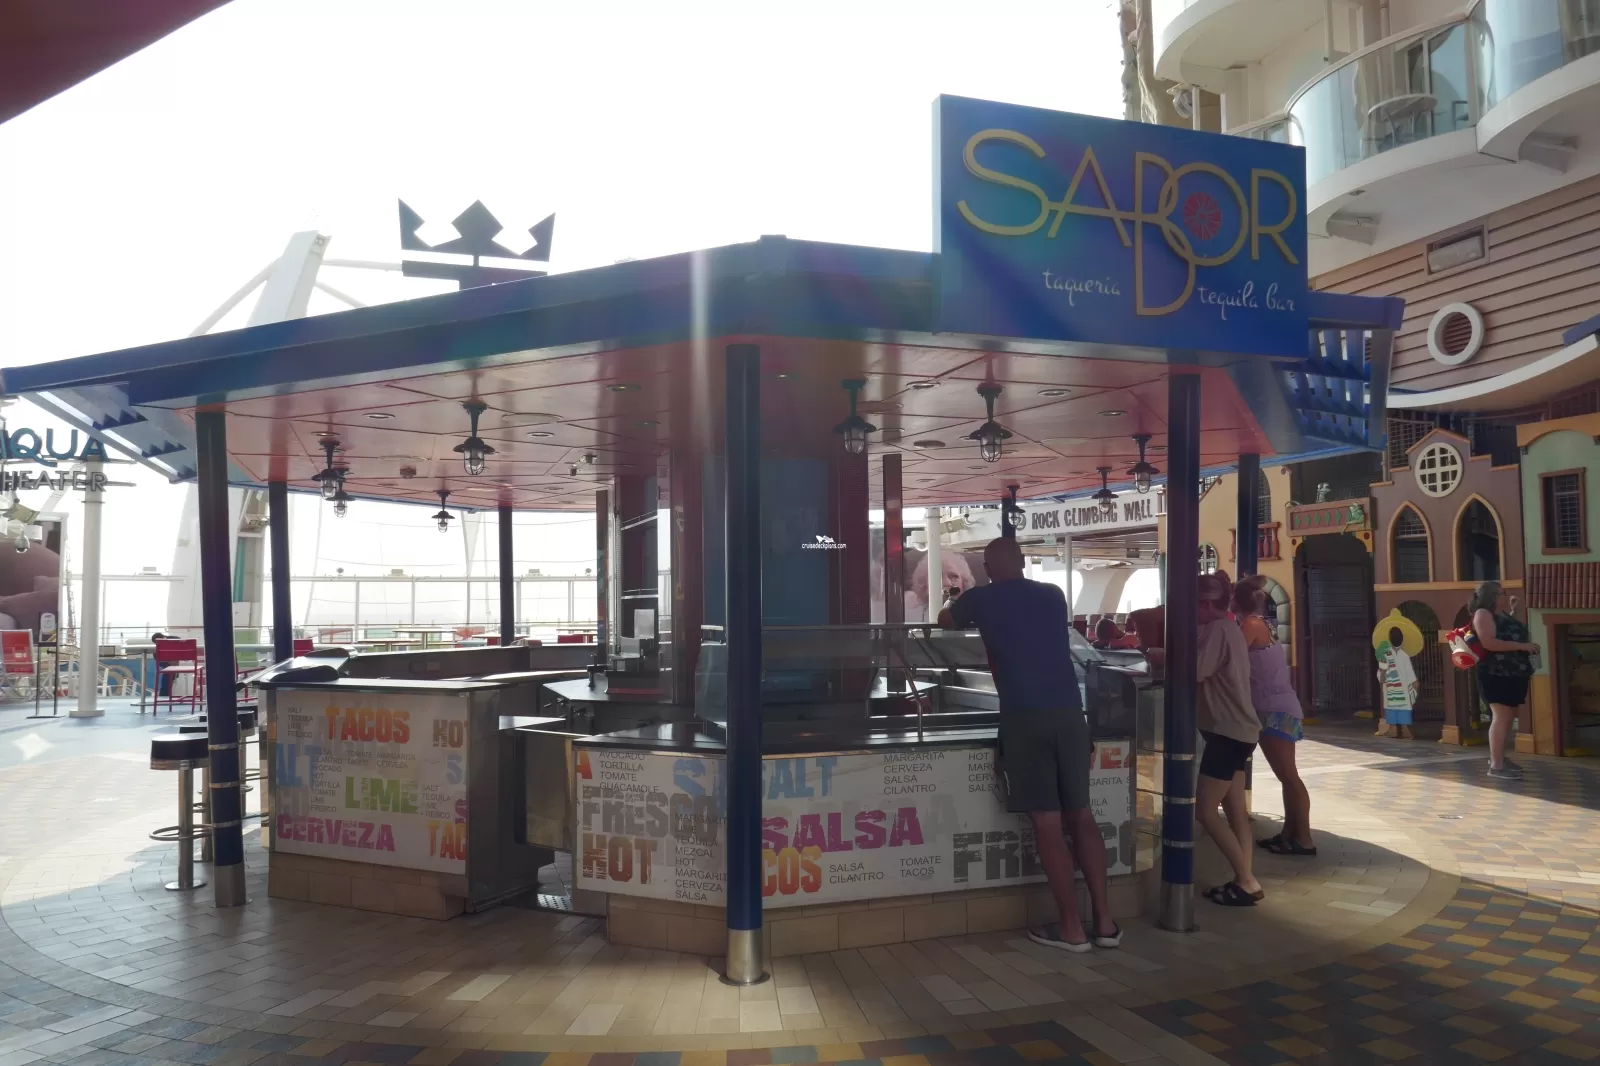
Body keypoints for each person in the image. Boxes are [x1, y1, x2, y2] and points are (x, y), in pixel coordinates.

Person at [940, 536, 1120, 952]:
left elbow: (945, 619)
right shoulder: (1053, 595)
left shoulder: (980, 599)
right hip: (1071, 715)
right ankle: (1105, 923)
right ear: (1023, 561)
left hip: (1024, 718)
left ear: (987, 569)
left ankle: (1072, 928)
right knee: (1082, 816)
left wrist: (957, 597)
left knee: (1047, 822)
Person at [1195, 571, 1265, 905]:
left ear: (1207, 604)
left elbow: (1197, 670)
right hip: (1241, 732)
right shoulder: (1231, 627)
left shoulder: (1217, 629)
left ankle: (1248, 881)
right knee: (1236, 811)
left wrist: (1164, 658)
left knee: (1205, 812)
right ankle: (1242, 879)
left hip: (1226, 733)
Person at [1233, 577, 1315, 858]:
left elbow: (1231, 658)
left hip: (1273, 709)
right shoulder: (1262, 623)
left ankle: (1304, 840)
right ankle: (1290, 833)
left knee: (1289, 776)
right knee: (1286, 777)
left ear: (1236, 601)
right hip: (1278, 706)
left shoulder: (1249, 625)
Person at [1470, 581, 1538, 779]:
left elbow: (1505, 631)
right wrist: (1522, 646)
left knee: (1509, 717)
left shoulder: (1500, 614)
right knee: (1502, 716)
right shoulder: (1483, 614)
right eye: (1502, 593)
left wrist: (1513, 612)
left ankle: (1499, 756)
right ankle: (1496, 766)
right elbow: (1489, 642)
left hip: (1512, 673)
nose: (1505, 595)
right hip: (1495, 673)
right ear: (1491, 596)